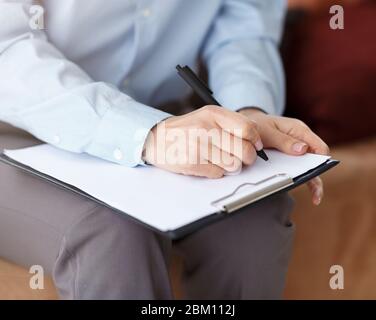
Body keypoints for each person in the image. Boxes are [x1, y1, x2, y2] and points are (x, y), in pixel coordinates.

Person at [0, 0, 328, 299]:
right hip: (19, 126)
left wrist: (248, 115)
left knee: (253, 215)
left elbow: (243, 23)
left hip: (169, 117)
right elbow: (7, 47)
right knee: (114, 235)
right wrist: (147, 133)